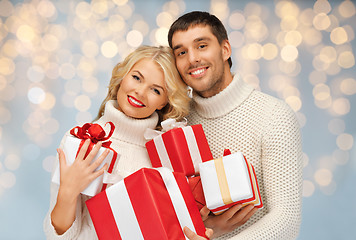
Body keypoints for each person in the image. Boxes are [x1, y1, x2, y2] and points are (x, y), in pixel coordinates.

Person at [43, 45, 211, 239]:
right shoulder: (82, 141)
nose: (140, 92)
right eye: (137, 78)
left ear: (164, 102)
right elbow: (58, 237)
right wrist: (68, 193)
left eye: (155, 90)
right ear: (123, 76)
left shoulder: (167, 155)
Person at [168, 11, 303, 239]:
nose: (192, 59)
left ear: (225, 49)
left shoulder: (273, 116)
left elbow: (286, 219)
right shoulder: (177, 121)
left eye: (201, 46)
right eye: (181, 52)